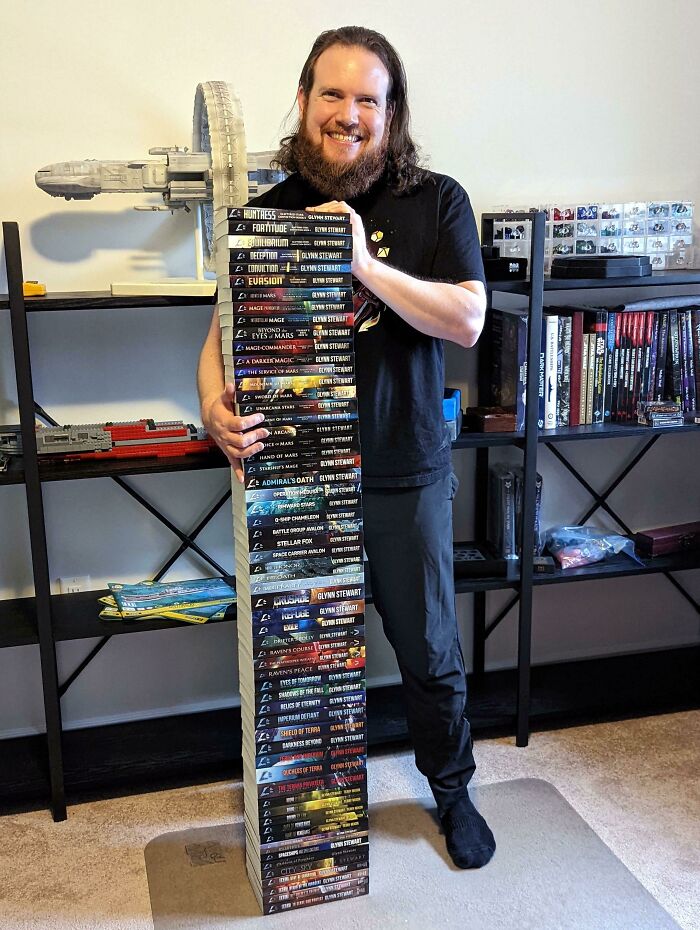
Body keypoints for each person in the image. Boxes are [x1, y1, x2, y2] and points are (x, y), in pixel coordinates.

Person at [197, 25, 496, 870]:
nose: (349, 113)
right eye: (333, 94)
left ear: (391, 114)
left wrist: (361, 263)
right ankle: (307, 814)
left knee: (429, 647)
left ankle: (452, 790)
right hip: (294, 479)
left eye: (370, 98)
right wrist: (210, 409)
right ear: (304, 101)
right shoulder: (264, 216)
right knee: (301, 658)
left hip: (404, 468)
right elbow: (218, 342)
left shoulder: (437, 200)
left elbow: (468, 320)